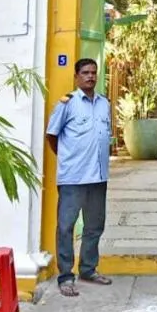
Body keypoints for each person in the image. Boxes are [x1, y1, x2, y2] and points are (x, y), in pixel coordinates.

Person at [45, 58, 113, 297]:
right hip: (73, 177)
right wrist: (68, 157)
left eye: (94, 72)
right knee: (66, 227)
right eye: (85, 72)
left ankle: (88, 269)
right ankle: (65, 276)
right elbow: (52, 135)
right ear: (76, 76)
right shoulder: (67, 104)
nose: (90, 76)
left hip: (98, 177)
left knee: (95, 226)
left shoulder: (105, 104)